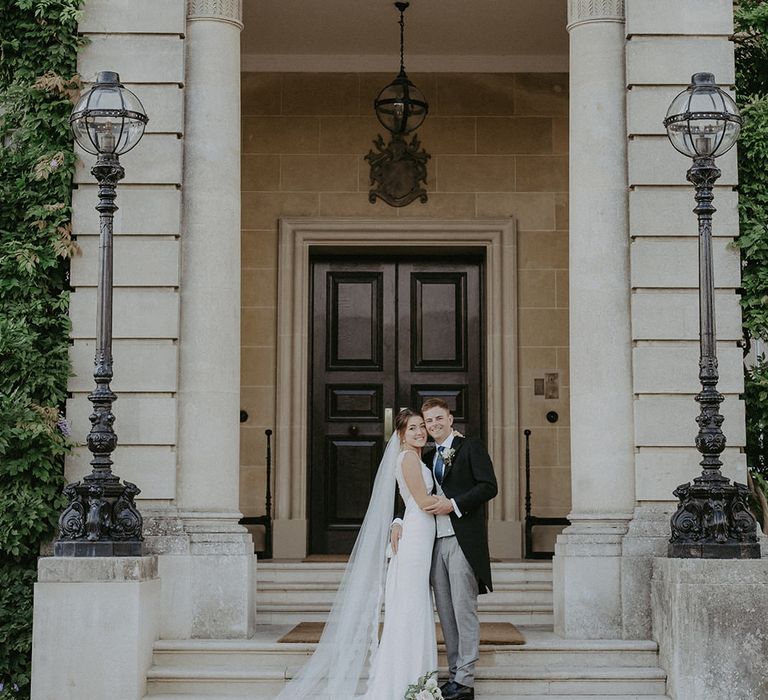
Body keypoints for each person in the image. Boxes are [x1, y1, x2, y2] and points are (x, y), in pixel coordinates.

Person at [275, 409, 440, 700]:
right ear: (400, 434)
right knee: (411, 607)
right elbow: (424, 501)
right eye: (412, 428)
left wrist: (398, 520)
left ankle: (416, 678)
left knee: (414, 605)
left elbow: (411, 502)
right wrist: (457, 502)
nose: (420, 432)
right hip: (416, 536)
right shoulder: (408, 458)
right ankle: (407, 681)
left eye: (422, 426)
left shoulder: (416, 457)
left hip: (418, 532)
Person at [392, 398, 497, 700]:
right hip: (433, 542)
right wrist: (398, 520)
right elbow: (412, 495)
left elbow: (489, 486)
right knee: (446, 613)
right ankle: (454, 674)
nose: (433, 425)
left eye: (439, 419)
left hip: (461, 538)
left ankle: (464, 679)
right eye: (428, 421)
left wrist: (454, 504)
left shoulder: (470, 447)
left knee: (464, 609)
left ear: (451, 419)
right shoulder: (424, 458)